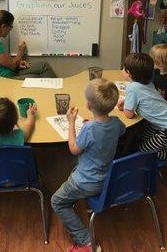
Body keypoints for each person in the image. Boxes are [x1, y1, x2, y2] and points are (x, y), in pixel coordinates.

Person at [51, 78, 125, 252]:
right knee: (73, 169)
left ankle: (85, 241)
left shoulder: (89, 129)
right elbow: (121, 130)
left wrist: (71, 123)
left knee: (57, 202)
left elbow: (74, 149)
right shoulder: (115, 123)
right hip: (106, 178)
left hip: (86, 182)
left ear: (89, 105)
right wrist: (92, 125)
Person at [118, 53, 167, 164]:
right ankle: (165, 145)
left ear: (129, 73)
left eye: (123, 69)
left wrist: (124, 107)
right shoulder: (148, 82)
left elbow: (129, 114)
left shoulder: (133, 87)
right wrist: (128, 102)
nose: (122, 70)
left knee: (142, 150)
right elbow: (145, 97)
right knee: (142, 137)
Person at [0, 10, 56, 79]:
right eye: (10, 27)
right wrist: (20, 52)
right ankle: (55, 89)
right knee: (36, 77)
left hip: (8, 72)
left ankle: (56, 86)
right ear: (3, 26)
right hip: (4, 78)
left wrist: (18, 63)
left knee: (43, 65)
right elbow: (13, 65)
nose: (10, 30)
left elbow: (8, 63)